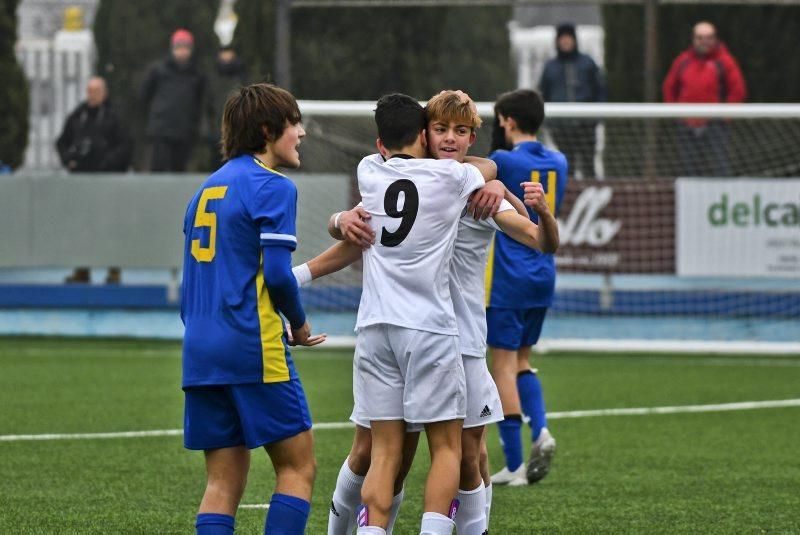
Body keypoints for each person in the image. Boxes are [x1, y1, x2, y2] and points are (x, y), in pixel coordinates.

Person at [295, 91, 558, 534]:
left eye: (460, 132)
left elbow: (539, 239)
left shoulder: (474, 193)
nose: (450, 139)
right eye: (441, 129)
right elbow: (354, 236)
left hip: (461, 341)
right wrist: (340, 220)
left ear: (473, 137)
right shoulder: (458, 180)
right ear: (423, 134)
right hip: (428, 334)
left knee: (468, 455)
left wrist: (510, 192)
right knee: (379, 452)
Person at [180, 83, 326, 535]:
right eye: (293, 123)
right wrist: (299, 325)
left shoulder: (205, 189)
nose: (300, 133)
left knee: (223, 481)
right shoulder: (272, 186)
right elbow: (279, 275)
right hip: (251, 344)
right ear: (268, 130)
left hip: (200, 349)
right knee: (297, 469)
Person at [487, 89, 568, 487]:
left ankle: (516, 464)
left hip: (508, 274)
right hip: (543, 271)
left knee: (500, 364)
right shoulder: (560, 161)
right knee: (522, 359)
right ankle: (542, 432)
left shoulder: (502, 160)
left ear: (507, 120)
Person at [56, 76, 131, 284]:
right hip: (81, 182)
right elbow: (62, 142)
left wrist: (107, 164)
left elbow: (125, 147)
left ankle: (114, 270)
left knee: (110, 225)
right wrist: (68, 161)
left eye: (96, 90)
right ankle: (82, 269)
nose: (92, 94)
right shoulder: (78, 116)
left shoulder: (114, 117)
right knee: (82, 226)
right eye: (89, 90)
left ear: (104, 93)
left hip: (107, 182)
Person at [662, 21, 747, 177]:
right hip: (687, 124)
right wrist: (676, 113)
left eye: (708, 37)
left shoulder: (725, 61)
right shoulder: (683, 60)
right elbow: (669, 87)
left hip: (715, 123)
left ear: (715, 39)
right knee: (688, 167)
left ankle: (722, 196)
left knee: (719, 165)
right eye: (700, 38)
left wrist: (726, 115)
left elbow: (737, 89)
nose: (704, 42)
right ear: (693, 39)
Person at [538, 23, 606, 179]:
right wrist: (548, 121)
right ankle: (569, 199)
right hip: (561, 126)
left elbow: (600, 90)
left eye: (569, 38)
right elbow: (543, 95)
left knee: (588, 163)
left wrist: (597, 116)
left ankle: (592, 197)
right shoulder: (550, 67)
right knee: (566, 165)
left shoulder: (588, 63)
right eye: (562, 38)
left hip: (586, 124)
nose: (566, 41)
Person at [141, 28, 205, 172]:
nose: (182, 52)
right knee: (158, 170)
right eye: (179, 47)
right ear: (172, 49)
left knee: (179, 171)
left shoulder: (196, 74)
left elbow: (198, 101)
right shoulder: (158, 70)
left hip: (184, 131)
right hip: (160, 131)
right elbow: (145, 95)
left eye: (186, 48)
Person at [205, 45, 247, 170]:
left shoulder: (243, 78)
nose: (226, 56)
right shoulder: (211, 78)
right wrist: (209, 131)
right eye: (223, 52)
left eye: (229, 52)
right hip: (216, 135)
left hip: (237, 135)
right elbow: (207, 107)